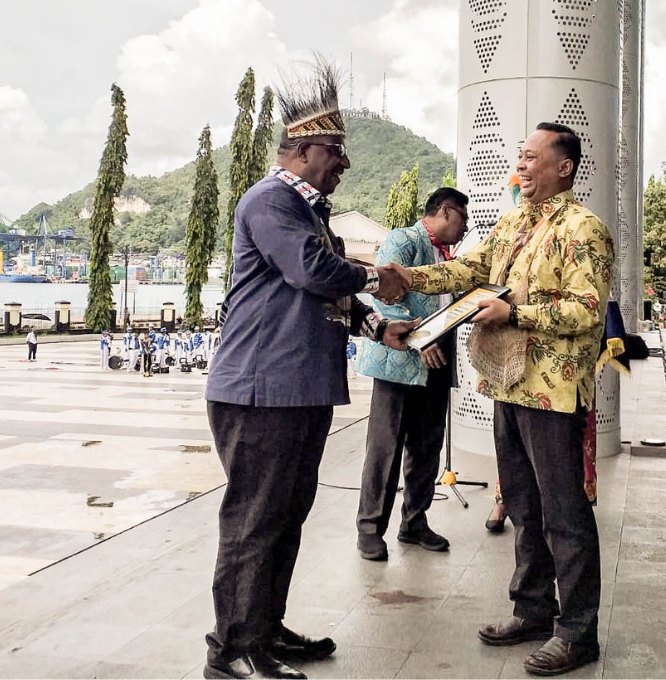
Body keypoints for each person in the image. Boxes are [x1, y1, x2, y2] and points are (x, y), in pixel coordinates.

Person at [201, 60, 412, 680]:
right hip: (261, 389)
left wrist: (379, 325)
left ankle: (264, 629)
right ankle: (232, 649)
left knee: (285, 515)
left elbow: (326, 297)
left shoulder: (312, 213)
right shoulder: (270, 201)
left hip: (297, 389)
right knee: (254, 520)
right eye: (335, 151)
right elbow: (312, 273)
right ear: (301, 150)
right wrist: (381, 275)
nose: (344, 163)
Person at [390, 122, 611, 676]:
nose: (522, 167)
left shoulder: (586, 229)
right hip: (509, 385)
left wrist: (518, 313)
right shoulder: (513, 222)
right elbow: (470, 269)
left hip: (555, 392)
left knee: (565, 513)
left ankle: (578, 633)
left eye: (533, 158)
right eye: (520, 157)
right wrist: (407, 276)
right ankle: (534, 609)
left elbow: (587, 311)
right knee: (522, 503)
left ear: (564, 166)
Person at [355, 186, 469, 562]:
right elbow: (381, 293)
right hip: (400, 364)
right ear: (447, 211)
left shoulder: (447, 256)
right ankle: (370, 529)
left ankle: (414, 522)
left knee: (427, 447)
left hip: (436, 366)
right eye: (463, 218)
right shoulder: (403, 240)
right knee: (385, 451)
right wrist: (420, 339)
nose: (465, 227)